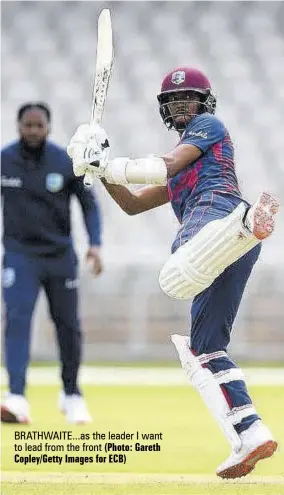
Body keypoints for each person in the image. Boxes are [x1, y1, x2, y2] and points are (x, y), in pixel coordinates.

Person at [66, 67, 279, 478]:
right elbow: (132, 205)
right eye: (175, 101)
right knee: (202, 350)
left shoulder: (208, 126)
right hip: (228, 248)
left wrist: (109, 162)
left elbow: (164, 166)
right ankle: (250, 432)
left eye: (189, 99)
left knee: (175, 266)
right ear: (165, 109)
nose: (183, 106)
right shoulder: (183, 163)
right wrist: (98, 169)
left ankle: (246, 223)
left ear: (204, 103)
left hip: (214, 214)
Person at [1, 102, 103, 424]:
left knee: (68, 326)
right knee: (17, 320)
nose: (33, 130)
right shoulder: (4, 160)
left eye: (38, 125)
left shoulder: (65, 161)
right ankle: (16, 396)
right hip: (19, 256)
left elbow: (90, 204)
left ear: (48, 126)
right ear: (18, 127)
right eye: (27, 125)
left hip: (60, 257)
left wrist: (95, 244)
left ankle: (71, 394)